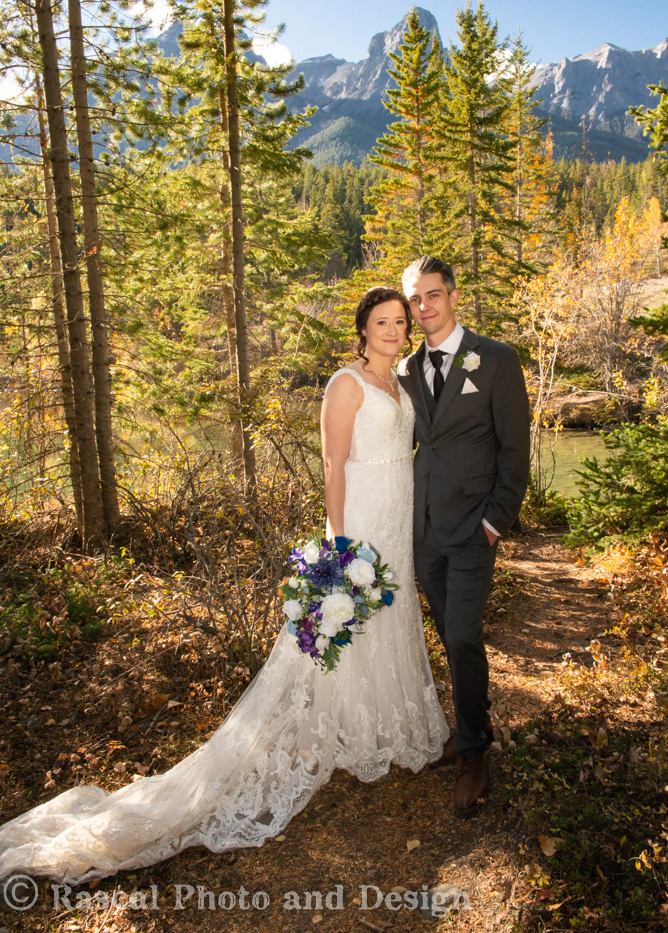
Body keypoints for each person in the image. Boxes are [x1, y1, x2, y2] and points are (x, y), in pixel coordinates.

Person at [0, 286, 447, 888]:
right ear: (362, 330)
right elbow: (334, 466)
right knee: (329, 636)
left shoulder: (402, 381)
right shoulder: (347, 383)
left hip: (398, 518)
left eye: (400, 321)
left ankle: (373, 730)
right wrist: (339, 543)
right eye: (381, 322)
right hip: (362, 522)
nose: (394, 330)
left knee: (385, 621)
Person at [397, 255, 530, 815]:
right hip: (423, 530)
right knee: (448, 637)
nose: (423, 307)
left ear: (453, 296)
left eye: (432, 295)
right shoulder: (404, 370)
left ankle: (475, 753)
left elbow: (514, 448)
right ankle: (470, 724)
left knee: (462, 636)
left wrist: (495, 522)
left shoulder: (495, 359)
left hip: (474, 528)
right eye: (414, 300)